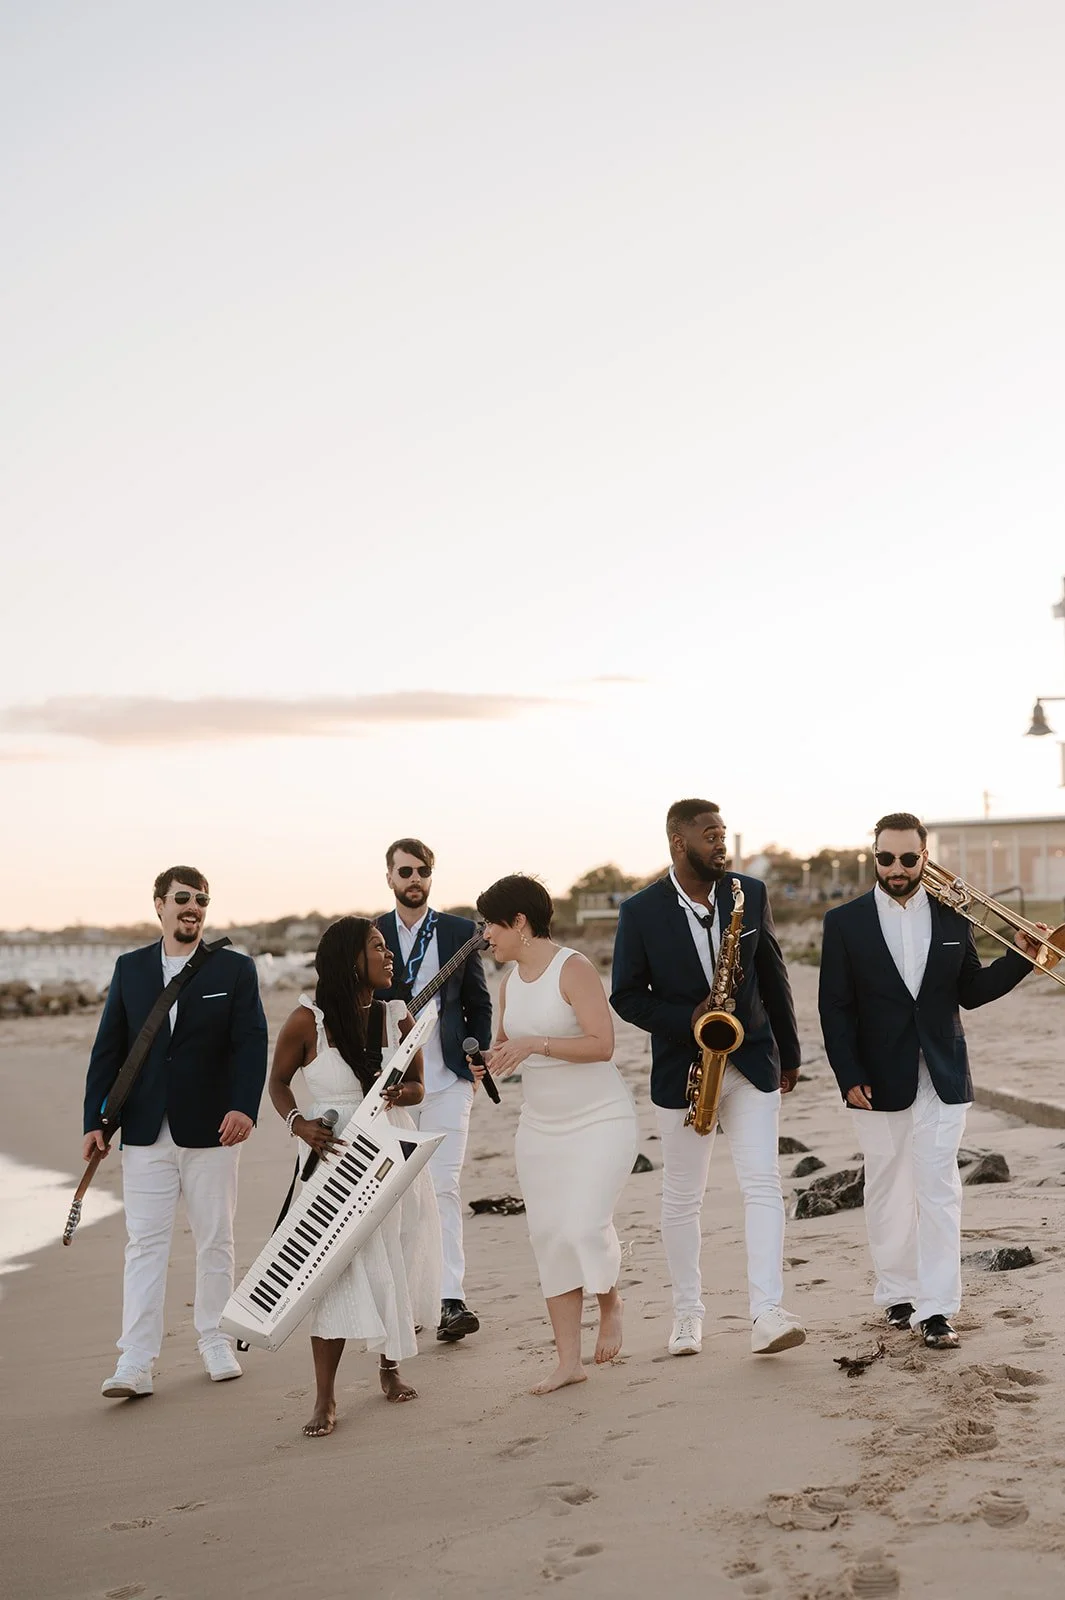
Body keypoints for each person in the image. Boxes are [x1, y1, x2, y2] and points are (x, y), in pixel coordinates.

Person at [818, 812, 1043, 1349]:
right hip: (874, 1079)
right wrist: (847, 1074)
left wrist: (1023, 957)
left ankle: (938, 1309)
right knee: (889, 1188)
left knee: (939, 1190)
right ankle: (897, 1292)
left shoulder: (951, 917)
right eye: (885, 858)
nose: (896, 868)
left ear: (925, 856)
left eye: (908, 858)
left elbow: (971, 991)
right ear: (873, 856)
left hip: (942, 1073)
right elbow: (834, 1007)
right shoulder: (844, 922)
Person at [611, 799, 806, 1358]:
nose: (721, 844)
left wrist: (788, 1054)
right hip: (685, 1067)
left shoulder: (750, 893)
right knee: (681, 1198)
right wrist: (689, 1021)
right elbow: (625, 996)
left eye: (723, 834)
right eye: (711, 835)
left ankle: (767, 1312)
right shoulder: (640, 911)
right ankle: (687, 1315)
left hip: (751, 1061)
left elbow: (774, 975)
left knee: (763, 1184)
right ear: (679, 842)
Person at [83, 866, 268, 1399]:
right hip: (143, 1130)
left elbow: (250, 1043)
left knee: (216, 1238)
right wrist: (95, 1122)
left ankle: (215, 1338)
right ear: (159, 905)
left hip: (213, 1127)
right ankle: (135, 1361)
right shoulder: (131, 968)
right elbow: (109, 1050)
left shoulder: (233, 969)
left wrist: (244, 1108)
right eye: (182, 898)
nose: (193, 907)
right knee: (144, 1245)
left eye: (201, 900)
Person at [268, 917, 440, 1437]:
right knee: (333, 1269)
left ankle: (390, 1368)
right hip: (334, 1156)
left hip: (391, 1152)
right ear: (351, 961)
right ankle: (324, 1398)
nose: (389, 957)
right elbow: (277, 1082)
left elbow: (418, 1088)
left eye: (388, 947)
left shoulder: (397, 1017)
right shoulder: (308, 1021)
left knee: (396, 1257)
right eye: (378, 948)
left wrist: (397, 1095)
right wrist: (299, 1125)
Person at [475, 874, 638, 1394]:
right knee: (549, 1236)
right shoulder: (508, 983)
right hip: (540, 1129)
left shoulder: (574, 968)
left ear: (519, 922)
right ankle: (568, 1362)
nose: (485, 936)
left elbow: (602, 1044)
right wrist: (488, 1061)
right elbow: (507, 1047)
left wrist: (534, 1044)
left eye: (490, 925)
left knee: (585, 1226)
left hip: (600, 1119)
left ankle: (610, 1302)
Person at [376, 838, 493, 1343]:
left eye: (422, 870)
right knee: (397, 1194)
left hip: (446, 1078)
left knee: (443, 1186)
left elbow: (478, 1001)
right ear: (389, 877)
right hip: (390, 1085)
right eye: (405, 871)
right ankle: (403, 1300)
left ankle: (450, 1299)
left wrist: (479, 1052)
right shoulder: (370, 933)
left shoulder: (460, 931)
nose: (414, 879)